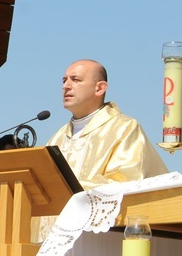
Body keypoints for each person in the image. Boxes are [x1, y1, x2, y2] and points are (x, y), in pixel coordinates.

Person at [51, 59, 167, 190]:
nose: (65, 86)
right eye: (64, 80)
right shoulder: (57, 139)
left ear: (100, 88)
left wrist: (64, 188)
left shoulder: (124, 129)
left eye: (76, 80)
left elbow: (126, 183)